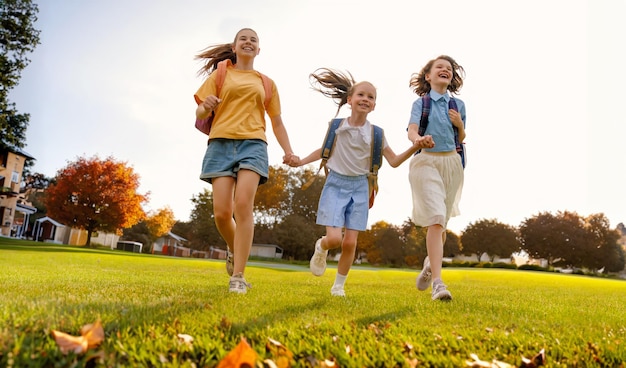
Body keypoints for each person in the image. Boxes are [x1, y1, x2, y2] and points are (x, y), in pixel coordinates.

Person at [288, 68, 434, 297]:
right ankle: (321, 246)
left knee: (349, 243)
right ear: (350, 100)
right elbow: (323, 151)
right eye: (361, 95)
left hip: (360, 187)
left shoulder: (376, 134)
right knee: (335, 239)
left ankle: (338, 286)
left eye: (371, 97)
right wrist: (301, 161)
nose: (366, 99)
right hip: (335, 184)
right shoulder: (336, 126)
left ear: (374, 105)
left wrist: (415, 146)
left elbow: (394, 161)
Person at [194, 28, 296, 294]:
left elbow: (276, 121)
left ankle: (238, 276)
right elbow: (199, 109)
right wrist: (207, 105)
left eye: (254, 40)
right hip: (220, 144)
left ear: (259, 50)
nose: (248, 42)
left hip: (253, 144)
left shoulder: (266, 82)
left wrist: (288, 151)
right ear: (235, 46)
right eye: (244, 39)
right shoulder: (220, 75)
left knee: (243, 205)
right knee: (221, 213)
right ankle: (233, 246)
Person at [406, 55, 466, 301]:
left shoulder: (458, 106)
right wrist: (418, 140)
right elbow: (411, 130)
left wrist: (460, 125)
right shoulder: (421, 103)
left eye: (449, 68)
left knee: (442, 225)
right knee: (436, 219)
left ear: (451, 77)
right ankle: (438, 284)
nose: (445, 70)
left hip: (452, 164)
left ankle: (430, 265)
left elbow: (460, 139)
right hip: (426, 162)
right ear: (428, 76)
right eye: (439, 67)